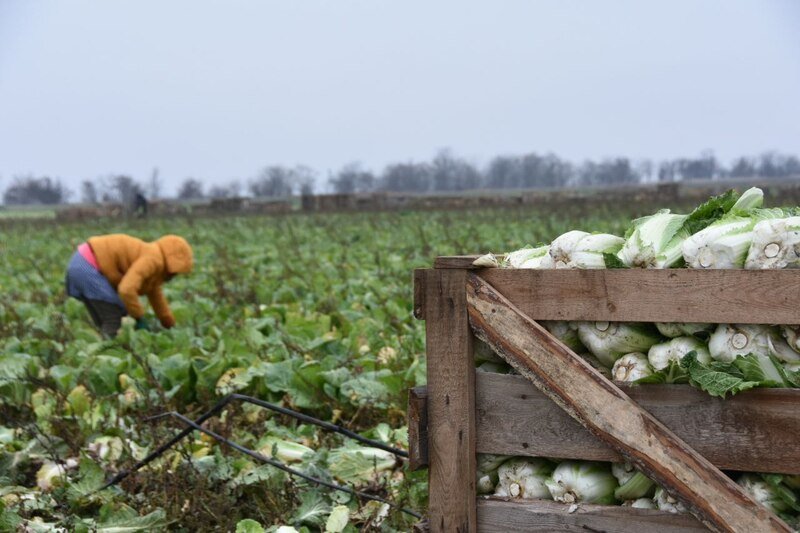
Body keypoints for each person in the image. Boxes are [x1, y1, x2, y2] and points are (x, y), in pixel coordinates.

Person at [65, 234, 193, 337]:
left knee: (105, 320)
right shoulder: (154, 259)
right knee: (114, 317)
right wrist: (139, 318)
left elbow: (156, 297)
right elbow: (126, 289)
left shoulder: (154, 264)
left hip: (80, 263)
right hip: (87, 266)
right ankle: (107, 355)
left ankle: (101, 354)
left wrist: (169, 324)